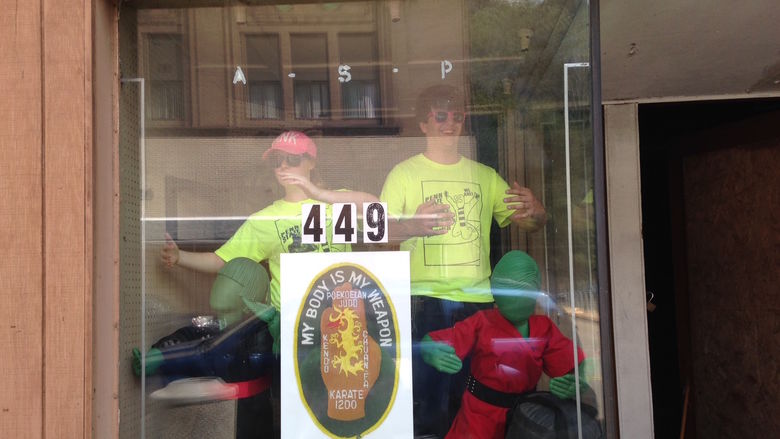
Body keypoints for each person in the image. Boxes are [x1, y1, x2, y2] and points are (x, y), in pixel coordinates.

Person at [379, 85, 547, 436]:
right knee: (428, 404)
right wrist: (413, 225)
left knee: (477, 403)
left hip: (479, 304)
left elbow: (530, 222)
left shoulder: (483, 176)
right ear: (423, 124)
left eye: (457, 116)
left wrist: (537, 210)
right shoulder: (403, 174)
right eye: (441, 116)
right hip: (425, 301)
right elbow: (378, 238)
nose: (449, 123)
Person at [161, 130, 379, 310]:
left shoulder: (337, 202)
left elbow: (377, 215)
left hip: (344, 311)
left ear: (311, 163)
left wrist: (321, 195)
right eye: (277, 160)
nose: (283, 165)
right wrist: (180, 257)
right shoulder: (265, 219)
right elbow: (224, 261)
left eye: (292, 159)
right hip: (291, 319)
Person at [420, 251, 588, 439]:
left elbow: (571, 362)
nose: (515, 297)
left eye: (522, 289)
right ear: (494, 290)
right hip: (480, 415)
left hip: (525, 416)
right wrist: (431, 350)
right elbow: (436, 340)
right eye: (508, 288)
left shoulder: (543, 328)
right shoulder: (482, 322)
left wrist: (576, 380)